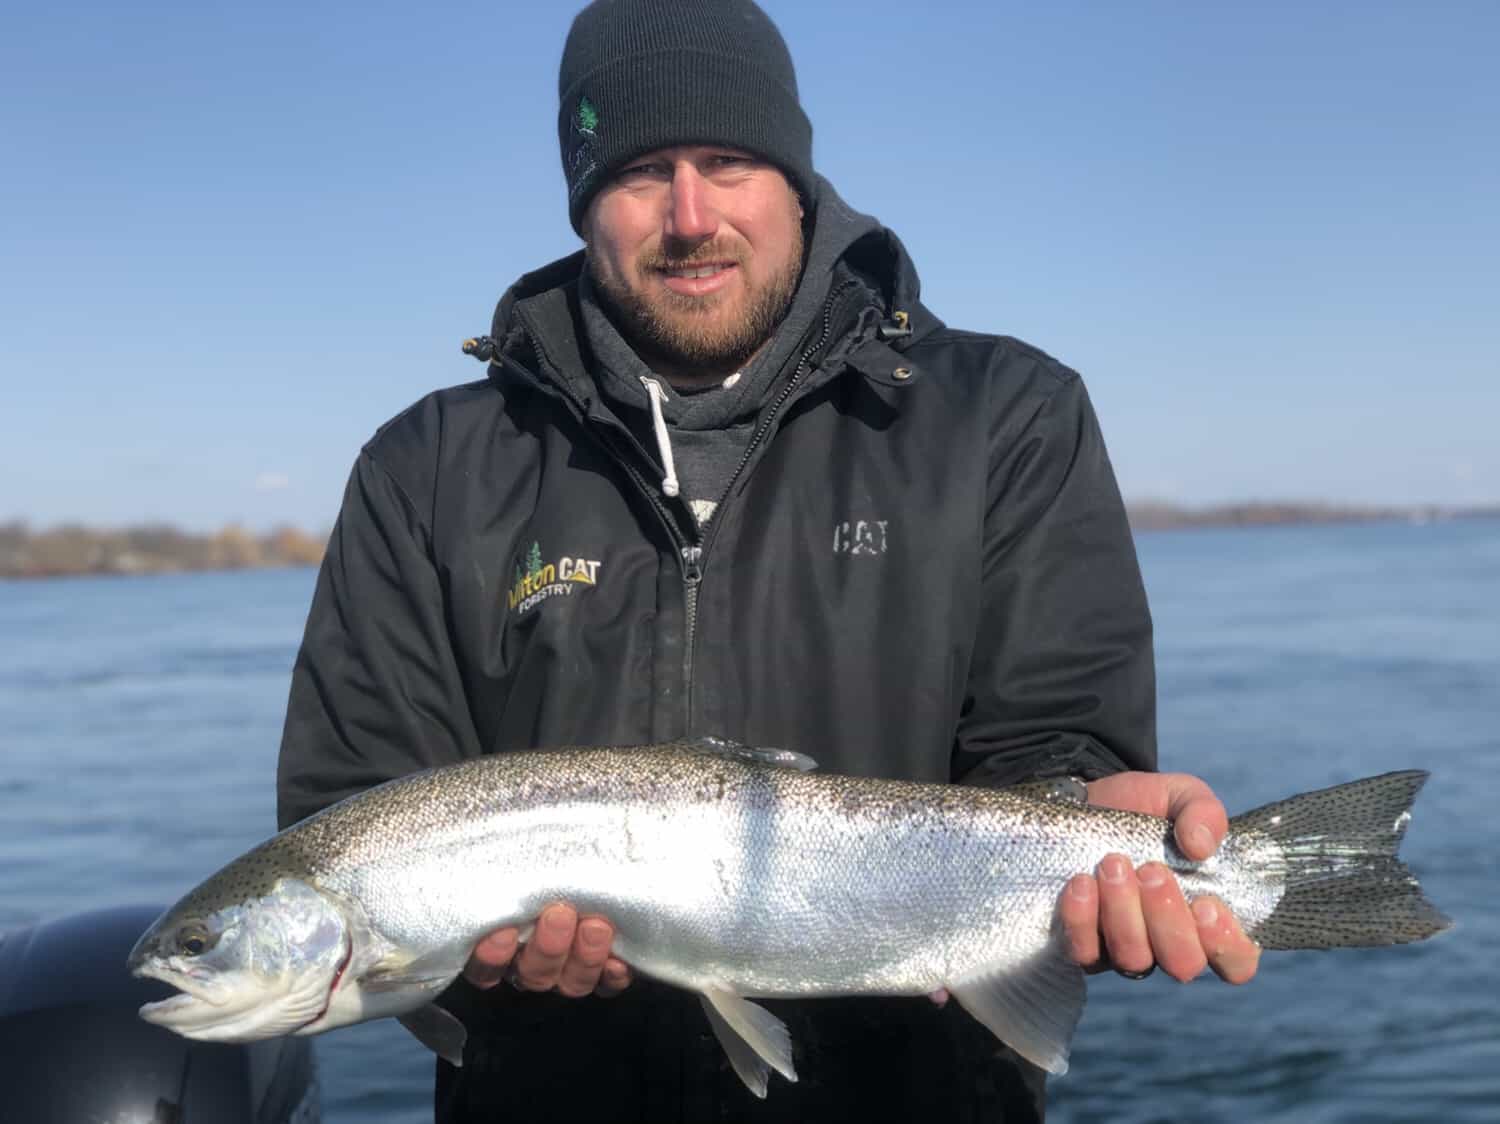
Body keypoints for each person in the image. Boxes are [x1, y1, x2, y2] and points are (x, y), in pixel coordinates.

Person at [276, 1, 1261, 1119]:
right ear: (584, 200)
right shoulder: (429, 466)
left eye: (730, 162)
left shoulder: (1009, 415)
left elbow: (1054, 740)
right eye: (642, 172)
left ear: (796, 178)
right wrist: (473, 961)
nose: (691, 215)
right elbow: (352, 806)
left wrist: (1090, 810)